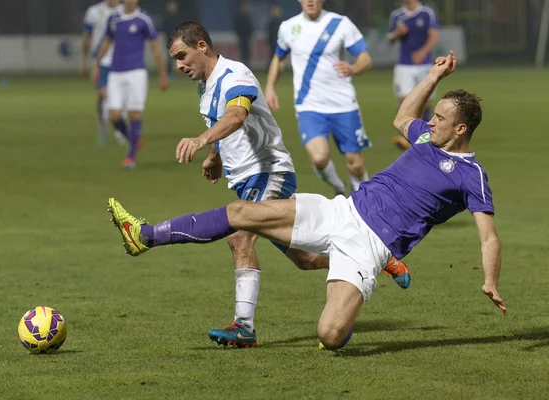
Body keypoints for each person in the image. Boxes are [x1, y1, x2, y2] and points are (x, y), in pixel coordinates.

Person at [107, 50, 506, 350]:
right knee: (241, 216)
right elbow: (403, 115)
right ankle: (145, 235)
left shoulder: (472, 177)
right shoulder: (423, 136)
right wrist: (433, 76)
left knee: (330, 336)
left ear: (460, 128)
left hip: (371, 246)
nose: (430, 121)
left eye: (440, 118)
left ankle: (368, 281)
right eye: (433, 116)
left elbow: (488, 237)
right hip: (341, 210)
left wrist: (489, 280)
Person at [153, 22, 409, 349]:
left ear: (202, 46)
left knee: (238, 237)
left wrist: (201, 141)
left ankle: (244, 327)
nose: (178, 66)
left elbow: (236, 117)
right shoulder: (206, 85)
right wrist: (215, 154)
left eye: (181, 56)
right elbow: (221, 121)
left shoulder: (235, 76)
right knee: (304, 259)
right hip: (246, 179)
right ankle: (373, 255)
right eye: (174, 59)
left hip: (270, 172)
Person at [266, 0, 373, 196]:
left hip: (343, 104)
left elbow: (365, 58)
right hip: (309, 106)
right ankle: (338, 187)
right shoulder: (288, 27)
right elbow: (278, 58)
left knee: (355, 164)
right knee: (319, 158)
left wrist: (353, 69)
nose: (310, 1)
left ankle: (363, 204)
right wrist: (270, 87)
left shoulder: (340, 24)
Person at [92, 0, 170, 170]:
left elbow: (155, 47)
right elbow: (106, 41)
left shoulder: (144, 20)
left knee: (134, 114)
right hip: (115, 72)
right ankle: (134, 140)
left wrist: (162, 73)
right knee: (114, 115)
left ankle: (131, 156)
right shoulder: (113, 19)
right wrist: (97, 65)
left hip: (136, 72)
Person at [388, 0, 440, 150]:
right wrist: (397, 34)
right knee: (404, 100)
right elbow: (390, 38)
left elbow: (434, 36)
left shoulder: (426, 13)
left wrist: (423, 52)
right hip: (404, 65)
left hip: (424, 65)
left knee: (425, 101)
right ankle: (405, 137)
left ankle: (426, 136)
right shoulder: (397, 15)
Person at [80, 0, 126, 146]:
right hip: (101, 58)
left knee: (121, 95)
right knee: (103, 94)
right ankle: (103, 129)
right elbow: (87, 37)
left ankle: (120, 132)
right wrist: (84, 60)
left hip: (121, 57)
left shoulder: (125, 10)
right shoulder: (93, 11)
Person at [162, 0, 182, 79]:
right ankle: (169, 73)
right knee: (170, 56)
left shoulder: (178, 18)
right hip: (169, 40)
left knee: (179, 56)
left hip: (178, 40)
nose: (172, 8)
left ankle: (180, 71)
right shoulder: (166, 18)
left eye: (173, 6)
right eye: (170, 6)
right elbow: (164, 29)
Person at [233, 1, 253, 66]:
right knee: (243, 53)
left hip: (246, 38)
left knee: (246, 53)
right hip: (242, 37)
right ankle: (244, 65)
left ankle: (246, 65)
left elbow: (250, 27)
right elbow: (238, 27)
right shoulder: (240, 16)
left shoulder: (247, 16)